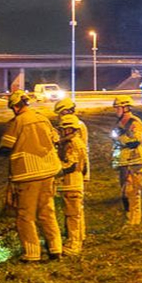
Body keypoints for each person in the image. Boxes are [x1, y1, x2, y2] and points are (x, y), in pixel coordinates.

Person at [0, 90, 63, 262]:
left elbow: (5, 147)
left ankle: (32, 254)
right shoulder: (42, 118)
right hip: (49, 171)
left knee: (25, 216)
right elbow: (55, 139)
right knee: (47, 212)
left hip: (28, 174)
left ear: (16, 107)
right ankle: (56, 248)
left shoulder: (18, 122)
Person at [53, 98, 88, 254]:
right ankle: (79, 237)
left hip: (72, 182)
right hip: (76, 180)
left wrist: (55, 168)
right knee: (76, 212)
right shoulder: (74, 138)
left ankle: (74, 244)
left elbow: (71, 163)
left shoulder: (73, 141)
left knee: (72, 214)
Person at [111, 94, 142, 224]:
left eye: (117, 108)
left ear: (125, 108)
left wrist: (120, 139)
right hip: (123, 162)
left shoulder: (135, 122)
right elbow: (115, 144)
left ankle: (135, 220)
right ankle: (128, 217)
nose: (116, 110)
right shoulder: (118, 124)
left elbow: (135, 140)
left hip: (135, 160)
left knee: (133, 191)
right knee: (124, 192)